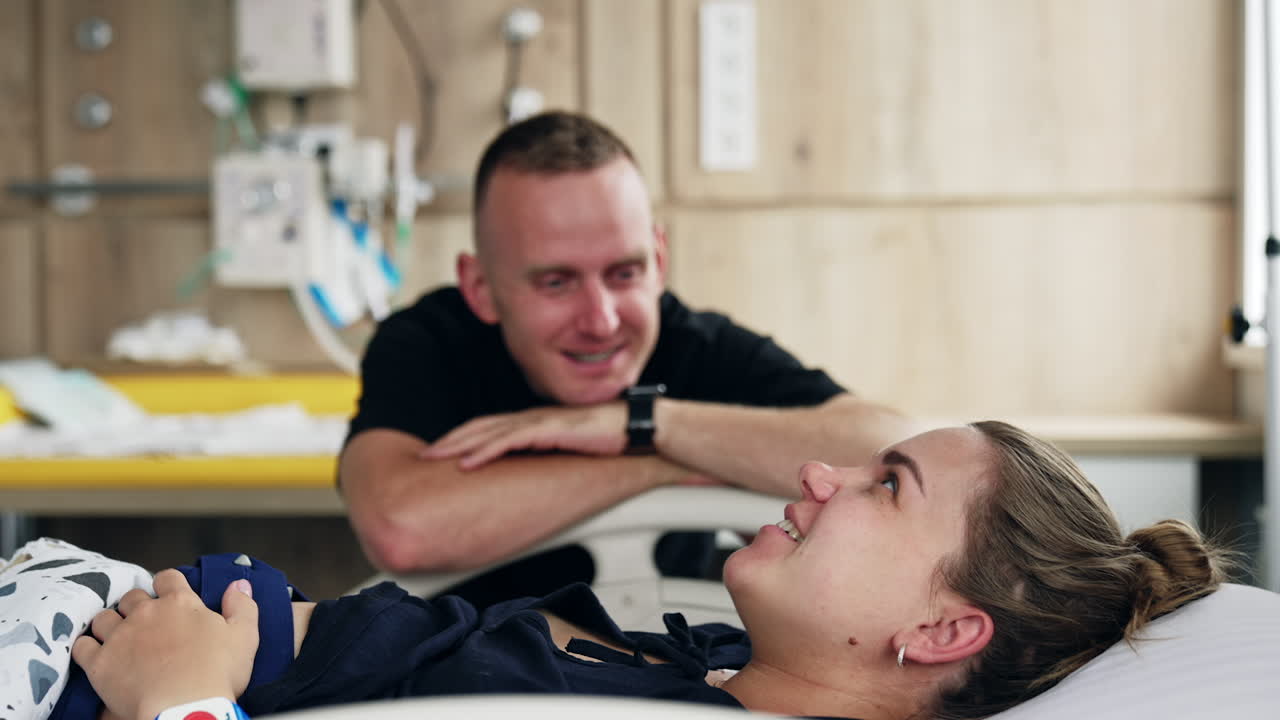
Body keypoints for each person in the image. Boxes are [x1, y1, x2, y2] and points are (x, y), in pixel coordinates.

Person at [8, 421, 1234, 720]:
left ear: (940, 633)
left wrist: (181, 704)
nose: (816, 478)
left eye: (881, 488)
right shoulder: (708, 666)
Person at [339, 110, 914, 605]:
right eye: (556, 282)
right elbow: (399, 528)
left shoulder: (694, 346)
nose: (602, 320)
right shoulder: (427, 343)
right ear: (481, 287)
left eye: (625, 273)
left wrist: (639, 422)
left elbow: (890, 444)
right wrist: (664, 460)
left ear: (659, 261)